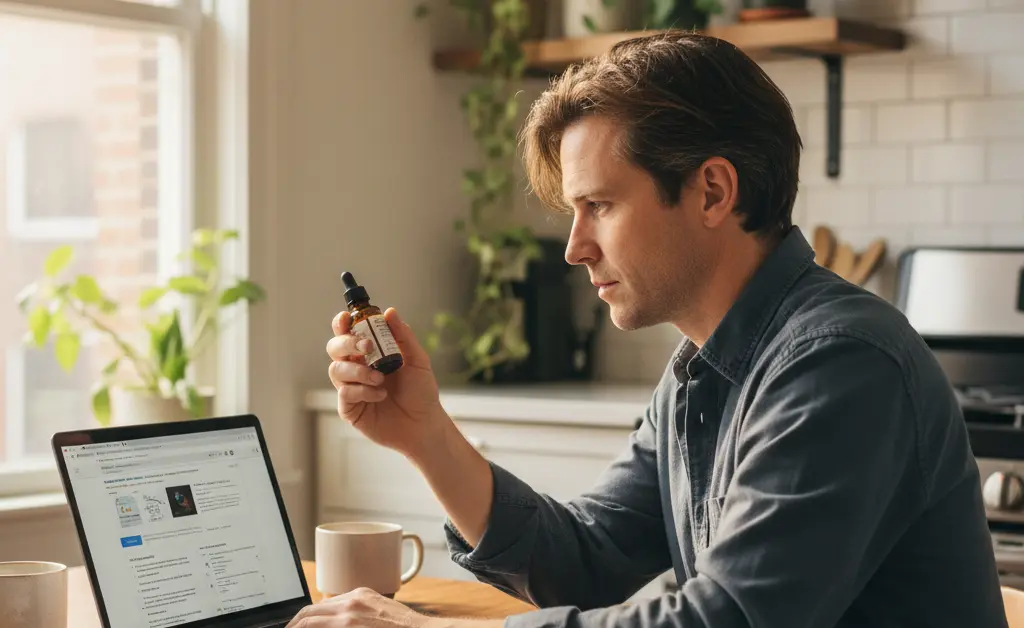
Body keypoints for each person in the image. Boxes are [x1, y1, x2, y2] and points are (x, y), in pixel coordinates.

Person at [296, 31, 1007, 628]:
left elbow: (724, 619)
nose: (574, 247)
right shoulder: (705, 364)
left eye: (599, 205)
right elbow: (587, 559)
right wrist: (426, 433)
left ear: (712, 191)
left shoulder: (840, 363)